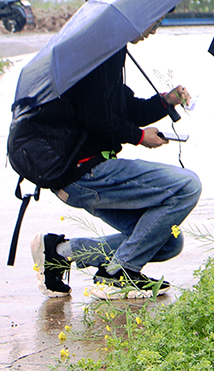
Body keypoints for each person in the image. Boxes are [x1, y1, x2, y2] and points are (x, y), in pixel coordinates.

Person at [30, 20, 201, 300]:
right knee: (187, 185)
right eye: (155, 22)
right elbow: (95, 117)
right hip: (83, 172)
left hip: (82, 175)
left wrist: (166, 101)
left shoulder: (110, 50)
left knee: (168, 241)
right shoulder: (96, 54)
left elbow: (124, 108)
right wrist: (138, 137)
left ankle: (60, 253)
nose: (154, 30)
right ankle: (118, 274)